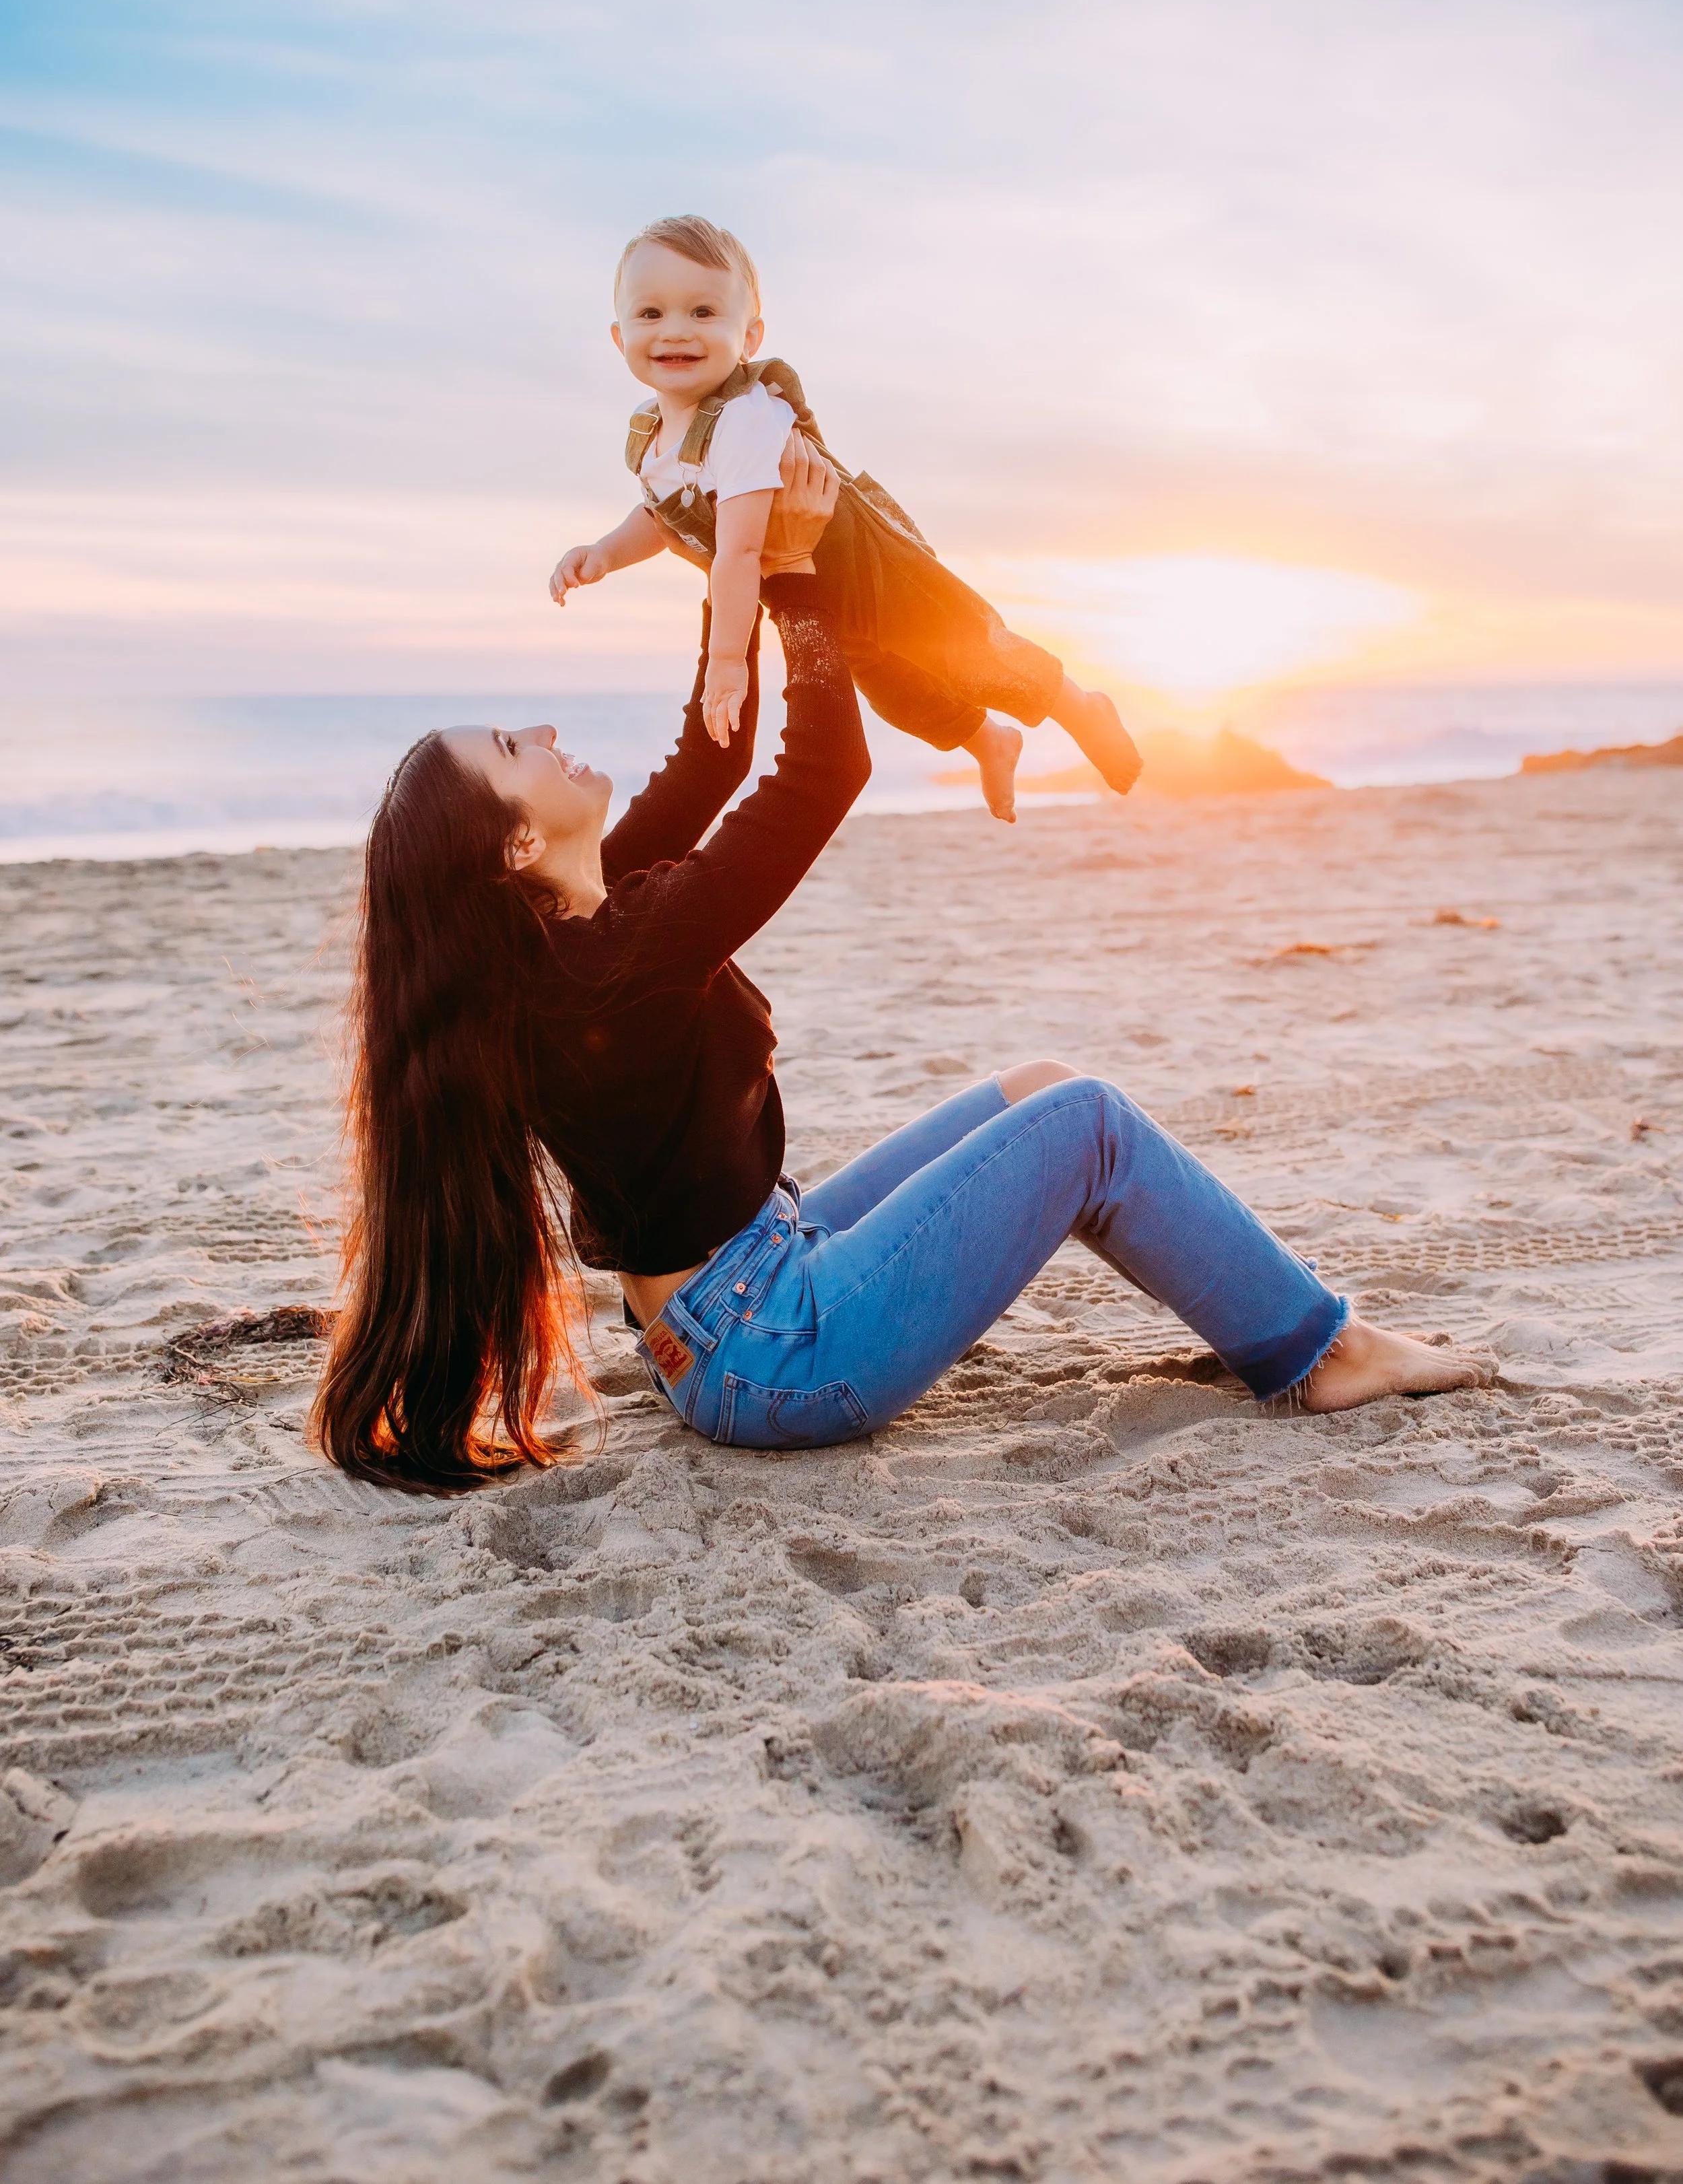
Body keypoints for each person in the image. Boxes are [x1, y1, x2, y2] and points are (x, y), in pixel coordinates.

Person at [314, 439, 1493, 1492]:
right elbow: (820, 776)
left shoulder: (575, 930)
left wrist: (738, 541)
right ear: (517, 843)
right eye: (519, 748)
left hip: (735, 1305)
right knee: (1087, 1124)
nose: (550, 734)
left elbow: (712, 760)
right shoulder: (614, 951)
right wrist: (802, 571)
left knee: (1036, 1085)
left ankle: (1294, 1331)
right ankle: (1320, 1351)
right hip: (775, 1349)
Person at [547, 212, 1143, 825]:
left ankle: (1080, 707)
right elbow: (662, 513)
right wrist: (605, 554)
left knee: (971, 651)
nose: (676, 331)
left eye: (703, 313)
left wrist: (729, 662)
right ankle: (989, 741)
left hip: (873, 565)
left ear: (750, 337)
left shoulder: (743, 420)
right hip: (815, 592)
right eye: (651, 314)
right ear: (620, 337)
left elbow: (742, 552)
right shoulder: (652, 432)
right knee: (899, 695)